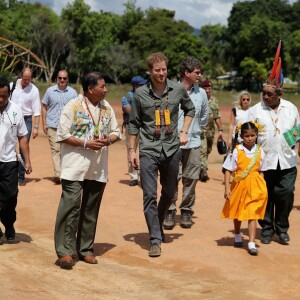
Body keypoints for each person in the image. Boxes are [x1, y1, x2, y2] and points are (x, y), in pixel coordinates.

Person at [128, 52, 195, 257]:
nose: (161, 73)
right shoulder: (140, 95)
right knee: (149, 195)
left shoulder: (177, 89)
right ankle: (155, 239)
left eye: (164, 69)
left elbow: (190, 109)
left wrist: (183, 131)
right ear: (150, 71)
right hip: (148, 149)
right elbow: (133, 124)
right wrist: (132, 151)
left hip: (172, 147)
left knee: (170, 191)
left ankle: (156, 220)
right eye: (157, 70)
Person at [54, 72, 121, 269]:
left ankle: (85, 249)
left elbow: (116, 132)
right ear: (91, 89)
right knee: (71, 206)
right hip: (75, 165)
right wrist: (86, 143)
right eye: (102, 87)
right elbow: (62, 134)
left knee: (91, 208)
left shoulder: (106, 107)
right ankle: (65, 251)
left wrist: (107, 140)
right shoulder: (73, 106)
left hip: (98, 167)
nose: (106, 90)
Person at [249, 42, 299, 245]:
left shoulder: (291, 108)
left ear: (280, 94)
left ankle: (282, 228)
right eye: (264, 93)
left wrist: (292, 141)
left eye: (270, 94)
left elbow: (297, 130)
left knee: (285, 194)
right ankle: (267, 229)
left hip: (287, 160)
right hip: (263, 161)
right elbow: (247, 134)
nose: (265, 97)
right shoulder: (255, 110)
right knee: (265, 196)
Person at [163, 56, 208, 230]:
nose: (200, 75)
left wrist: (193, 130)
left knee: (191, 178)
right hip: (172, 142)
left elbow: (203, 117)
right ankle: (170, 210)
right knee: (172, 177)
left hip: (194, 141)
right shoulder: (171, 90)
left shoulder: (202, 93)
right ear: (186, 73)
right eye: (197, 72)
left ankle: (187, 210)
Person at [222, 122, 268, 255]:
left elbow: (262, 170)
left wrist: (262, 187)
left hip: (255, 186)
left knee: (252, 214)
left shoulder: (260, 151)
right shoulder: (236, 151)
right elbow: (228, 170)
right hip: (239, 185)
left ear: (257, 135)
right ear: (241, 136)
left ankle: (252, 242)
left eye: (253, 135)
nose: (250, 138)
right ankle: (237, 234)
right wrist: (227, 188)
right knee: (238, 212)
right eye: (247, 136)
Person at [0, 76, 32, 243]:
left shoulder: (16, 110)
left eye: (4, 96)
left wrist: (27, 160)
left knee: (10, 197)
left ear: (8, 95)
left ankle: (8, 223)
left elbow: (22, 137)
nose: (0, 99)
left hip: (9, 161)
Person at [42, 70, 78, 184]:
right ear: (56, 78)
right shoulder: (50, 91)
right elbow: (44, 106)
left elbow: (77, 110)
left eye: (64, 78)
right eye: (60, 78)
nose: (62, 80)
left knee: (66, 151)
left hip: (67, 127)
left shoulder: (73, 93)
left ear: (67, 79)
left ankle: (65, 173)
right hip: (52, 125)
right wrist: (44, 123)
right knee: (56, 150)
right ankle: (58, 174)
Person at [10, 67, 41, 186]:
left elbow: (37, 111)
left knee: (24, 147)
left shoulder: (34, 90)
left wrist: (36, 127)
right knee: (9, 146)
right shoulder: (12, 86)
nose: (27, 81)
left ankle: (21, 176)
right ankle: (10, 173)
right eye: (25, 79)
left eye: (29, 79)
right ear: (21, 76)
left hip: (26, 119)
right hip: (11, 119)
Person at [122, 75, 147, 186]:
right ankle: (133, 176)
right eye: (141, 85)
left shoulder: (147, 96)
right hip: (131, 127)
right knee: (131, 152)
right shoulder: (127, 98)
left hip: (145, 127)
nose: (144, 86)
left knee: (146, 152)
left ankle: (145, 176)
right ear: (135, 86)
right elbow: (131, 113)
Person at [199, 80, 223, 182]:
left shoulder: (214, 101)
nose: (208, 91)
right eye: (205, 89)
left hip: (211, 130)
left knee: (208, 149)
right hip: (200, 130)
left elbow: (217, 116)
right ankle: (203, 170)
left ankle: (201, 166)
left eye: (209, 89)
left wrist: (220, 130)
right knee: (202, 150)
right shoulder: (198, 100)